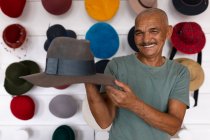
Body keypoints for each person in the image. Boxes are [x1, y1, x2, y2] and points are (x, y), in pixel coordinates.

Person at [85, 8, 190, 140]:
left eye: (154, 31)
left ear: (168, 32)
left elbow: (173, 127)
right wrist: (86, 79)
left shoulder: (179, 72)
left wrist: (133, 104)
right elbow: (104, 121)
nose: (146, 39)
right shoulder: (116, 66)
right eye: (139, 33)